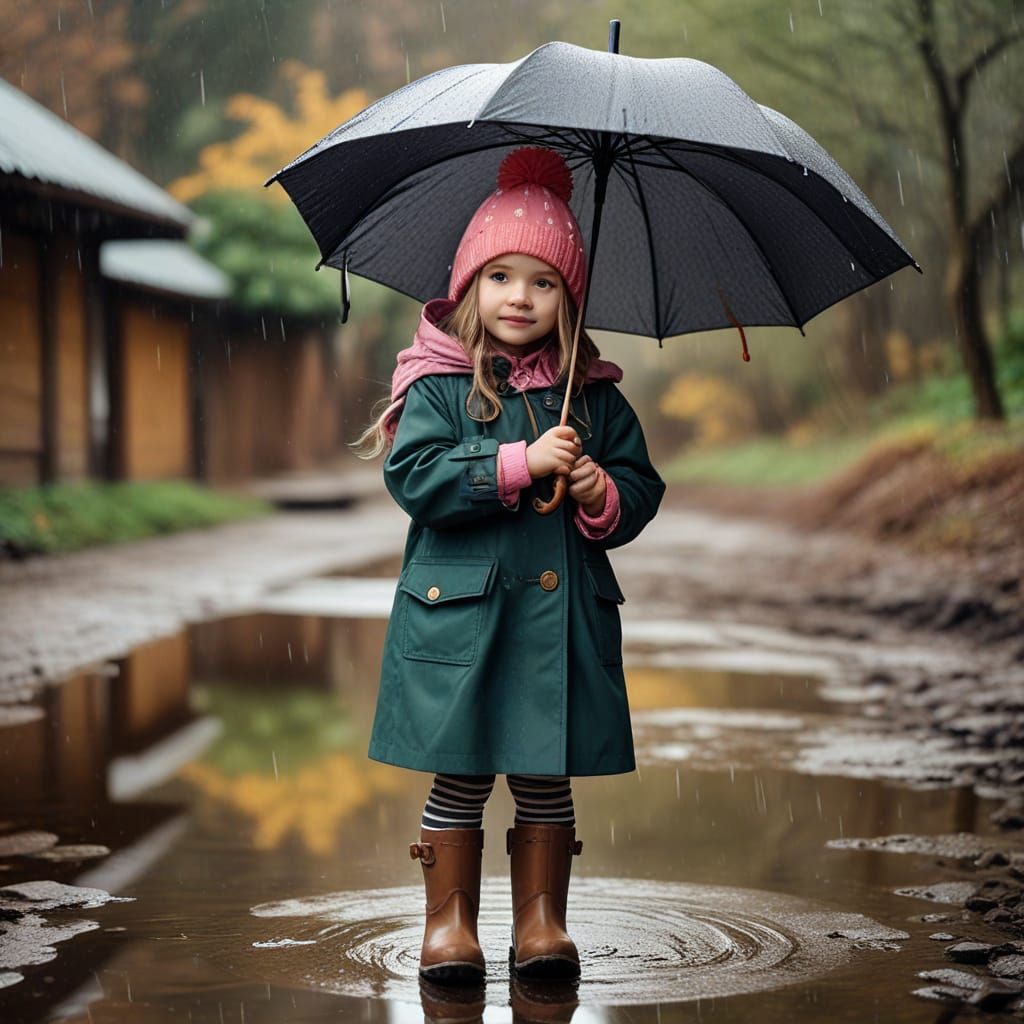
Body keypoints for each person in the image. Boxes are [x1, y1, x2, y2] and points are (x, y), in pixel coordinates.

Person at [353, 146, 665, 985]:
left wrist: (601, 488)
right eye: (500, 277)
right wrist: (519, 463)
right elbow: (415, 477)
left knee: (543, 772)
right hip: (466, 616)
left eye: (543, 281)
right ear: (468, 289)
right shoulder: (440, 386)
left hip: (554, 624)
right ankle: (449, 925)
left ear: (570, 298)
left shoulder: (591, 395)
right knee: (460, 770)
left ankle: (541, 923)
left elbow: (641, 488)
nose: (519, 297)